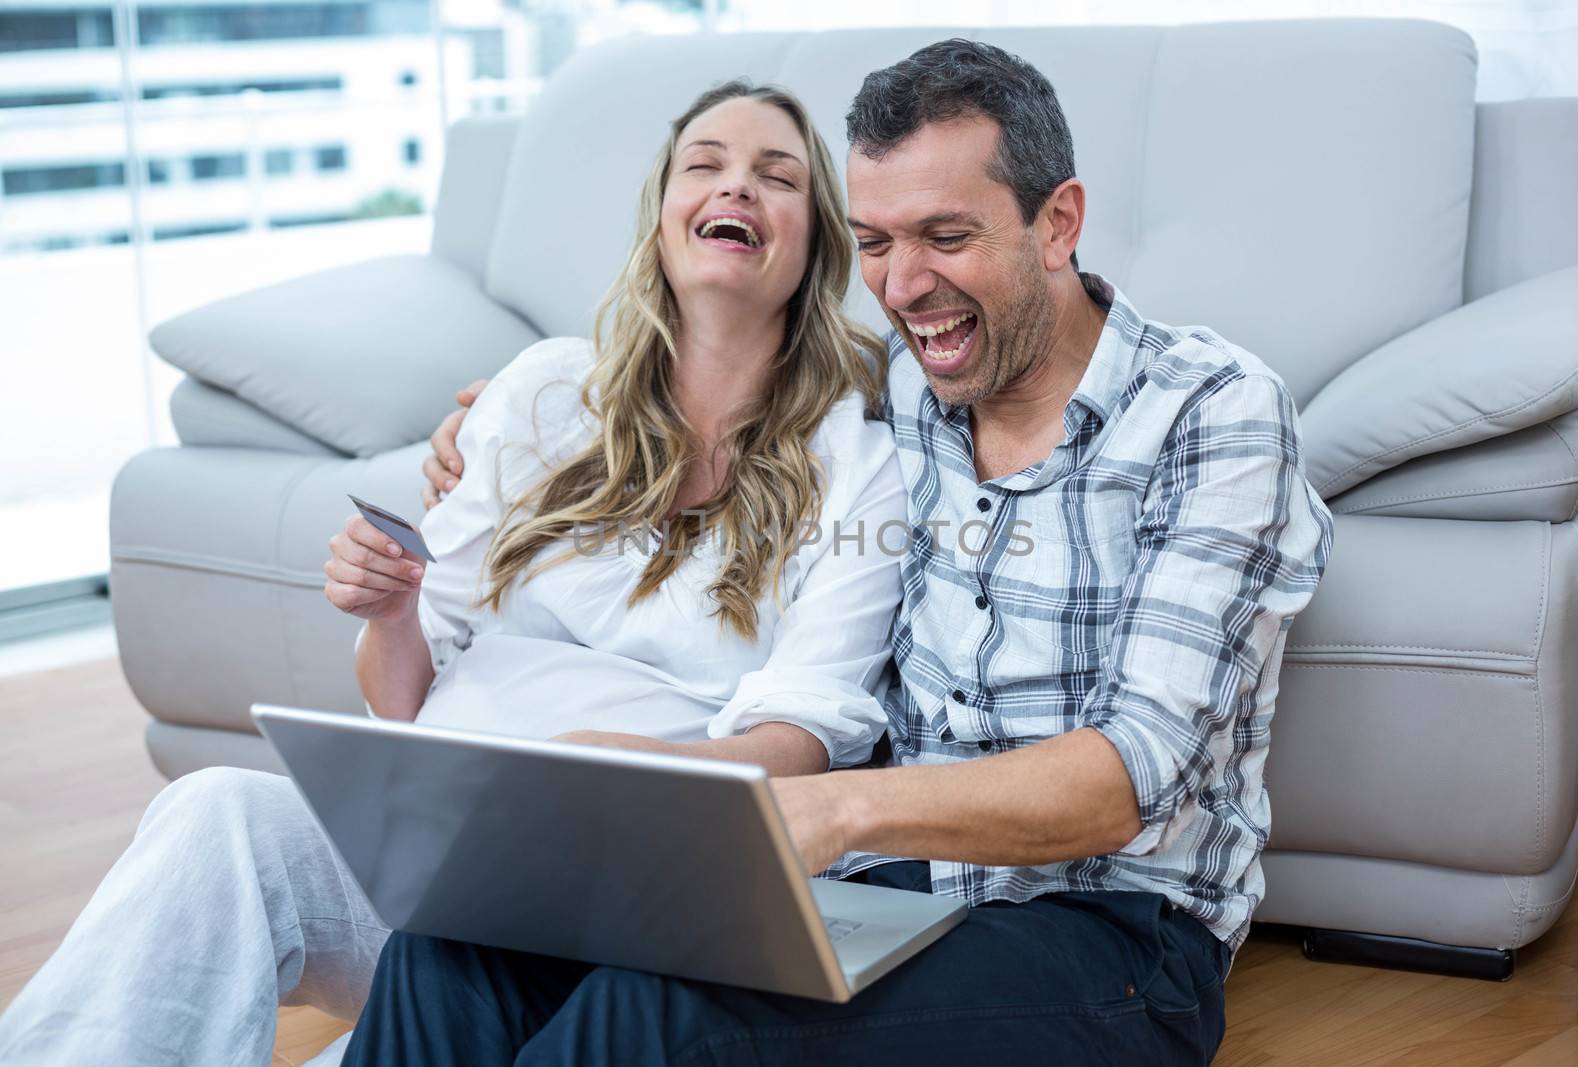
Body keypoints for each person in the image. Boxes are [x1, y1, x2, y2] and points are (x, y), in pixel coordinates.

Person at [351, 39, 1336, 1066]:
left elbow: (1128, 777)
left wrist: (827, 806)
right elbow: (709, 371)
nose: (905, 286)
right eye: (873, 241)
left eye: (945, 236)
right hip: (879, 888)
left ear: (1058, 223)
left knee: (659, 1020)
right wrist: (495, 424)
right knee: (452, 948)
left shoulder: (1213, 411)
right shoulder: (901, 390)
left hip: (1115, 937)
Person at [0, 80, 906, 1067]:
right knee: (215, 810)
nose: (736, 185)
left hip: (624, 890)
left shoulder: (856, 453)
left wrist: (612, 773)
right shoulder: (546, 389)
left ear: (814, 243)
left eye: (776, 176)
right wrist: (392, 613)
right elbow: (408, 696)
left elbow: (804, 738)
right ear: (659, 219)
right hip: (434, 851)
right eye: (705, 164)